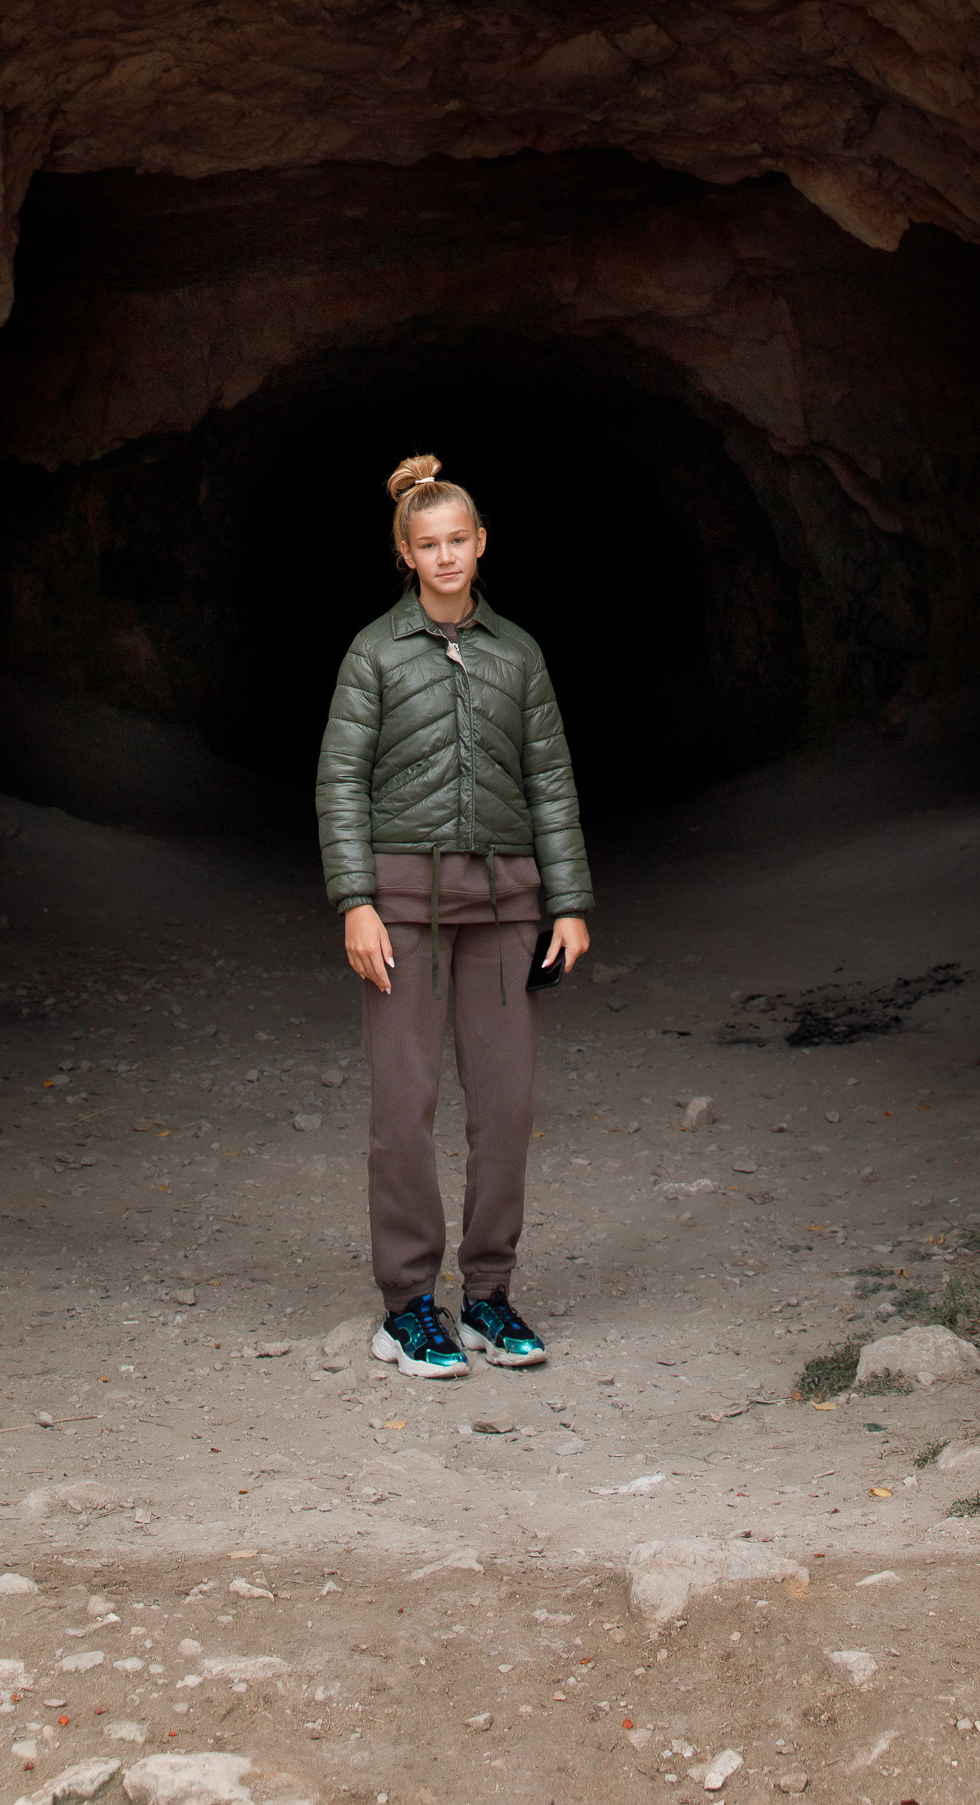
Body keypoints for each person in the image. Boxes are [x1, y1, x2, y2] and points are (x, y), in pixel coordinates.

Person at [314, 451, 593, 1379]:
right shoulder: (372, 652)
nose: (444, 557)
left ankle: (488, 1296)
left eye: (458, 541)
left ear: (482, 544)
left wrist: (570, 902)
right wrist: (355, 901)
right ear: (403, 552)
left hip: (507, 904)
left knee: (505, 1108)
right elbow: (340, 781)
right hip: (401, 907)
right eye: (426, 544)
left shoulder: (518, 653)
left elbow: (549, 779)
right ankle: (406, 1307)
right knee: (404, 1107)